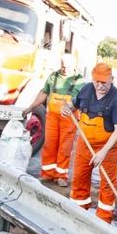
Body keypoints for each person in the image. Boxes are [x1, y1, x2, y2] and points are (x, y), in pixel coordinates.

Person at [62, 62, 117, 223]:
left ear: (111, 79)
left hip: (108, 148)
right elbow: (74, 104)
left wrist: (102, 153)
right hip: (85, 144)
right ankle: (77, 215)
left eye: (104, 82)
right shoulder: (86, 89)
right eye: (97, 81)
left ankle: (104, 221)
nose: (99, 85)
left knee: (108, 185)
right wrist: (67, 109)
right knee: (79, 179)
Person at [22, 54, 84, 187]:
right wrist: (30, 107)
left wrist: (70, 108)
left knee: (64, 147)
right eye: (62, 65)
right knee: (49, 145)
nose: (64, 68)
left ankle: (61, 176)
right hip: (52, 118)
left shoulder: (79, 81)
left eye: (67, 66)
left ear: (74, 65)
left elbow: (80, 101)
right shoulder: (53, 77)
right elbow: (44, 93)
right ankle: (47, 173)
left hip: (69, 119)